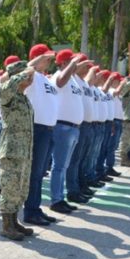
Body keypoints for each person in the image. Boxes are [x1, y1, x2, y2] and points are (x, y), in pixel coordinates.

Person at [0, 60, 36, 240]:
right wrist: (22, 74)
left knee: (20, 187)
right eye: (28, 76)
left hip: (24, 150)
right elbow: (5, 88)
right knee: (9, 186)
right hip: (12, 149)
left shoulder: (23, 97)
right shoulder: (8, 94)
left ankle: (14, 221)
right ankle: (6, 225)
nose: (30, 79)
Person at [22, 44, 61, 226]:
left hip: (47, 129)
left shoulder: (45, 78)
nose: (50, 61)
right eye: (47, 58)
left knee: (39, 173)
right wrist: (35, 62)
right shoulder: (32, 75)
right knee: (34, 173)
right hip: (36, 128)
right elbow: (21, 72)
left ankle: (35, 208)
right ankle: (30, 211)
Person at [49, 49, 84, 214]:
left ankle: (60, 197)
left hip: (73, 128)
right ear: (64, 63)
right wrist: (72, 64)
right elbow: (60, 81)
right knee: (59, 166)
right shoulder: (59, 75)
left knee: (64, 166)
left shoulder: (74, 80)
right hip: (63, 127)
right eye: (70, 61)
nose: (74, 64)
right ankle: (56, 199)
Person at [66, 53, 96, 204]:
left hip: (86, 125)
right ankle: (73, 189)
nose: (86, 70)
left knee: (82, 158)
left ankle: (80, 185)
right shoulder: (72, 79)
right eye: (84, 67)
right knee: (74, 160)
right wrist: (77, 65)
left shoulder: (83, 82)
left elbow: (91, 79)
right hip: (79, 125)